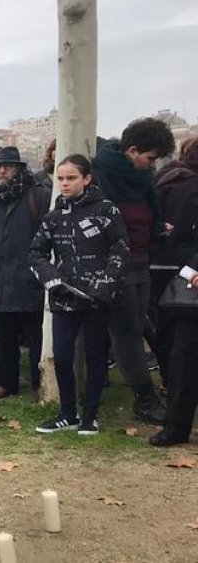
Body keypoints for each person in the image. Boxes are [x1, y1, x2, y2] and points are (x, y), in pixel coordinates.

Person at [30, 155, 129, 435]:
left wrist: (103, 286)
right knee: (61, 356)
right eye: (60, 178)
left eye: (71, 178)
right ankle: (67, 413)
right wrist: (52, 280)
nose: (64, 183)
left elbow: (120, 250)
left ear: (86, 179)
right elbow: (35, 253)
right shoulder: (53, 216)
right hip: (65, 295)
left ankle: (91, 414)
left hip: (98, 297)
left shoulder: (106, 210)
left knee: (96, 355)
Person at [91, 118, 174, 424]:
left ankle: (159, 388)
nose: (152, 165)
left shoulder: (141, 180)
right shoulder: (101, 175)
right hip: (115, 266)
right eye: (150, 159)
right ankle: (145, 398)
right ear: (133, 151)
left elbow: (148, 213)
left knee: (140, 326)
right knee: (127, 333)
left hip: (141, 259)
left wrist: (157, 228)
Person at [0, 147, 51, 400]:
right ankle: (7, 383)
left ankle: (41, 383)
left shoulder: (38, 196)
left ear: (19, 168)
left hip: (30, 279)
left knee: (36, 336)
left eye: (7, 166)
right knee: (4, 338)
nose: (1, 171)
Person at [151, 136, 198, 393]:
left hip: (157, 259)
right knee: (182, 332)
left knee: (164, 326)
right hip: (185, 266)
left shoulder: (165, 177)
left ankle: (170, 379)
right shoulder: (191, 186)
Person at [150, 259, 198, 447]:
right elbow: (185, 261)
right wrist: (192, 274)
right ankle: (176, 428)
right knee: (181, 364)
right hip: (192, 308)